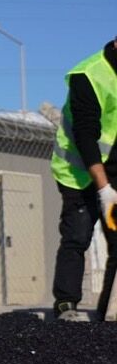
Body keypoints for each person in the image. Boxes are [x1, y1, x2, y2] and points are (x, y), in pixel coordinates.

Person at [50, 37, 117, 321]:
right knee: (77, 236)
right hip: (76, 169)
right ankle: (66, 304)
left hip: (113, 167)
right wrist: (104, 190)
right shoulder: (88, 75)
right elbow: (85, 136)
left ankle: (109, 310)